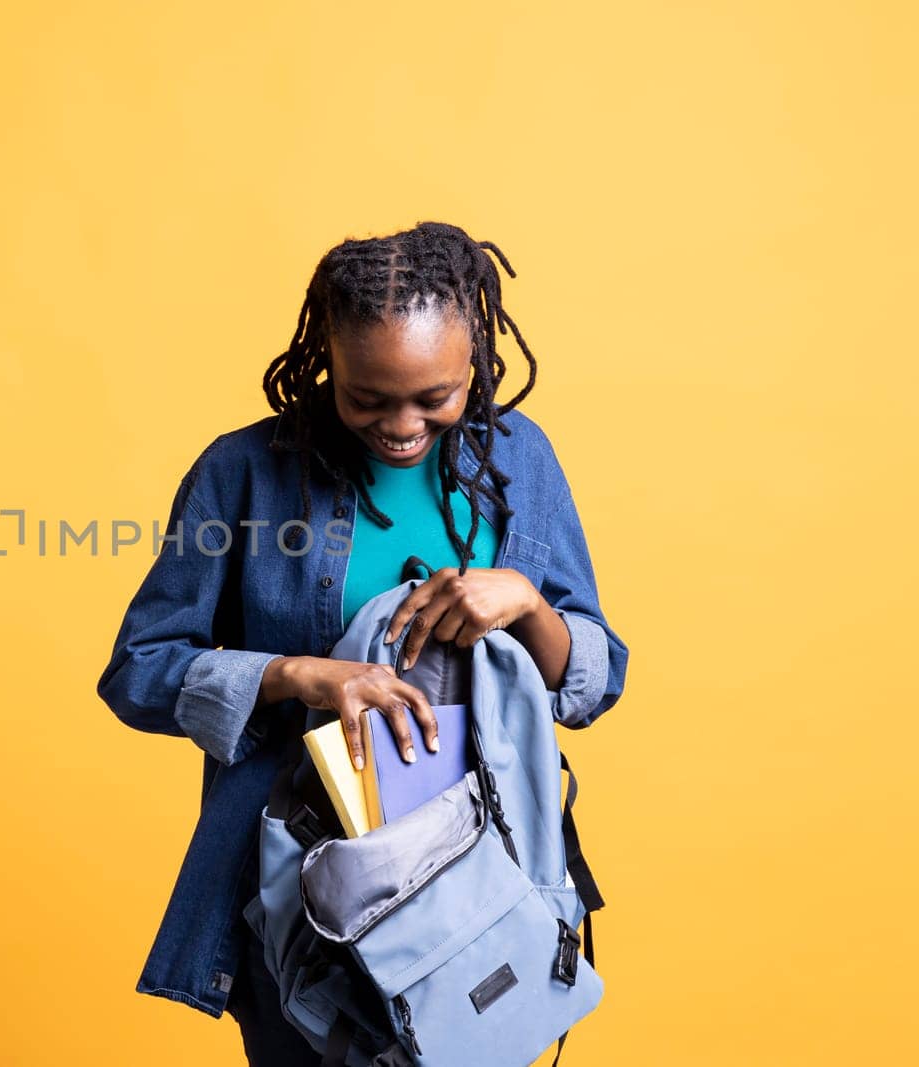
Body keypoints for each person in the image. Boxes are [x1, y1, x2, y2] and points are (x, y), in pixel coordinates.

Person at [96, 221, 629, 1065]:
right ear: (327, 365)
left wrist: (526, 602)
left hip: (483, 884)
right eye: (368, 398)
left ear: (477, 364)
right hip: (304, 896)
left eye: (436, 396)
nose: (402, 425)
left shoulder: (520, 462)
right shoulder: (242, 474)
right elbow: (138, 670)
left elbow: (593, 685)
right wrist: (299, 675)